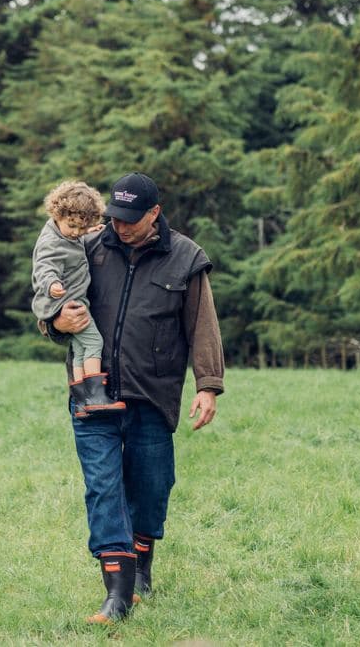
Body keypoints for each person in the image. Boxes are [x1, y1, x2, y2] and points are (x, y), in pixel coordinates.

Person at [41, 171, 224, 625]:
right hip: (92, 390)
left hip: (152, 394)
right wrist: (52, 321)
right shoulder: (90, 246)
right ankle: (117, 595)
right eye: (114, 218)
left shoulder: (185, 257)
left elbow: (202, 324)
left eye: (130, 220)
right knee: (103, 488)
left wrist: (207, 385)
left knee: (150, 487)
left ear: (155, 213)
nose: (119, 228)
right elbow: (45, 288)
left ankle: (142, 564)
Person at [31, 180, 126, 418]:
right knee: (94, 342)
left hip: (68, 300)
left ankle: (81, 400)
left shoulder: (66, 234)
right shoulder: (50, 242)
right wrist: (51, 284)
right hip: (66, 303)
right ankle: (95, 396)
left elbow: (72, 243)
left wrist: (86, 234)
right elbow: (44, 267)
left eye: (82, 228)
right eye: (72, 226)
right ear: (57, 213)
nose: (75, 232)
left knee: (79, 347)